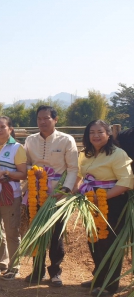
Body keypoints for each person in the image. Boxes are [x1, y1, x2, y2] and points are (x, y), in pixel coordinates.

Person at [74, 120, 133, 296]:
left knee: (110, 244)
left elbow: (126, 182)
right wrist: (74, 191)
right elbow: (78, 175)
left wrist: (102, 197)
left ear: (108, 134)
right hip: (90, 203)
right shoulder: (85, 154)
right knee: (93, 241)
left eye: (100, 132)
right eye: (92, 132)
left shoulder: (118, 154)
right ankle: (99, 278)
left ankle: (110, 285)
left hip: (113, 203)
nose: (96, 135)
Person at [23, 105, 78, 286]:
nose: (42, 122)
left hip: (57, 195)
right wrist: (35, 171)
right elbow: (26, 165)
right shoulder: (30, 140)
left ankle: (55, 272)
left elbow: (72, 169)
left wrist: (66, 191)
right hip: (35, 193)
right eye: (39, 119)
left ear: (56, 119)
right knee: (36, 232)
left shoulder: (66, 140)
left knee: (56, 235)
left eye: (46, 118)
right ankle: (37, 271)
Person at [0, 116, 27, 280]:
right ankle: (2, 262)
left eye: (2, 127)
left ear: (10, 129)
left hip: (10, 194)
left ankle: (14, 266)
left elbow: (23, 174)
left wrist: (7, 173)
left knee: (11, 231)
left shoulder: (17, 148)